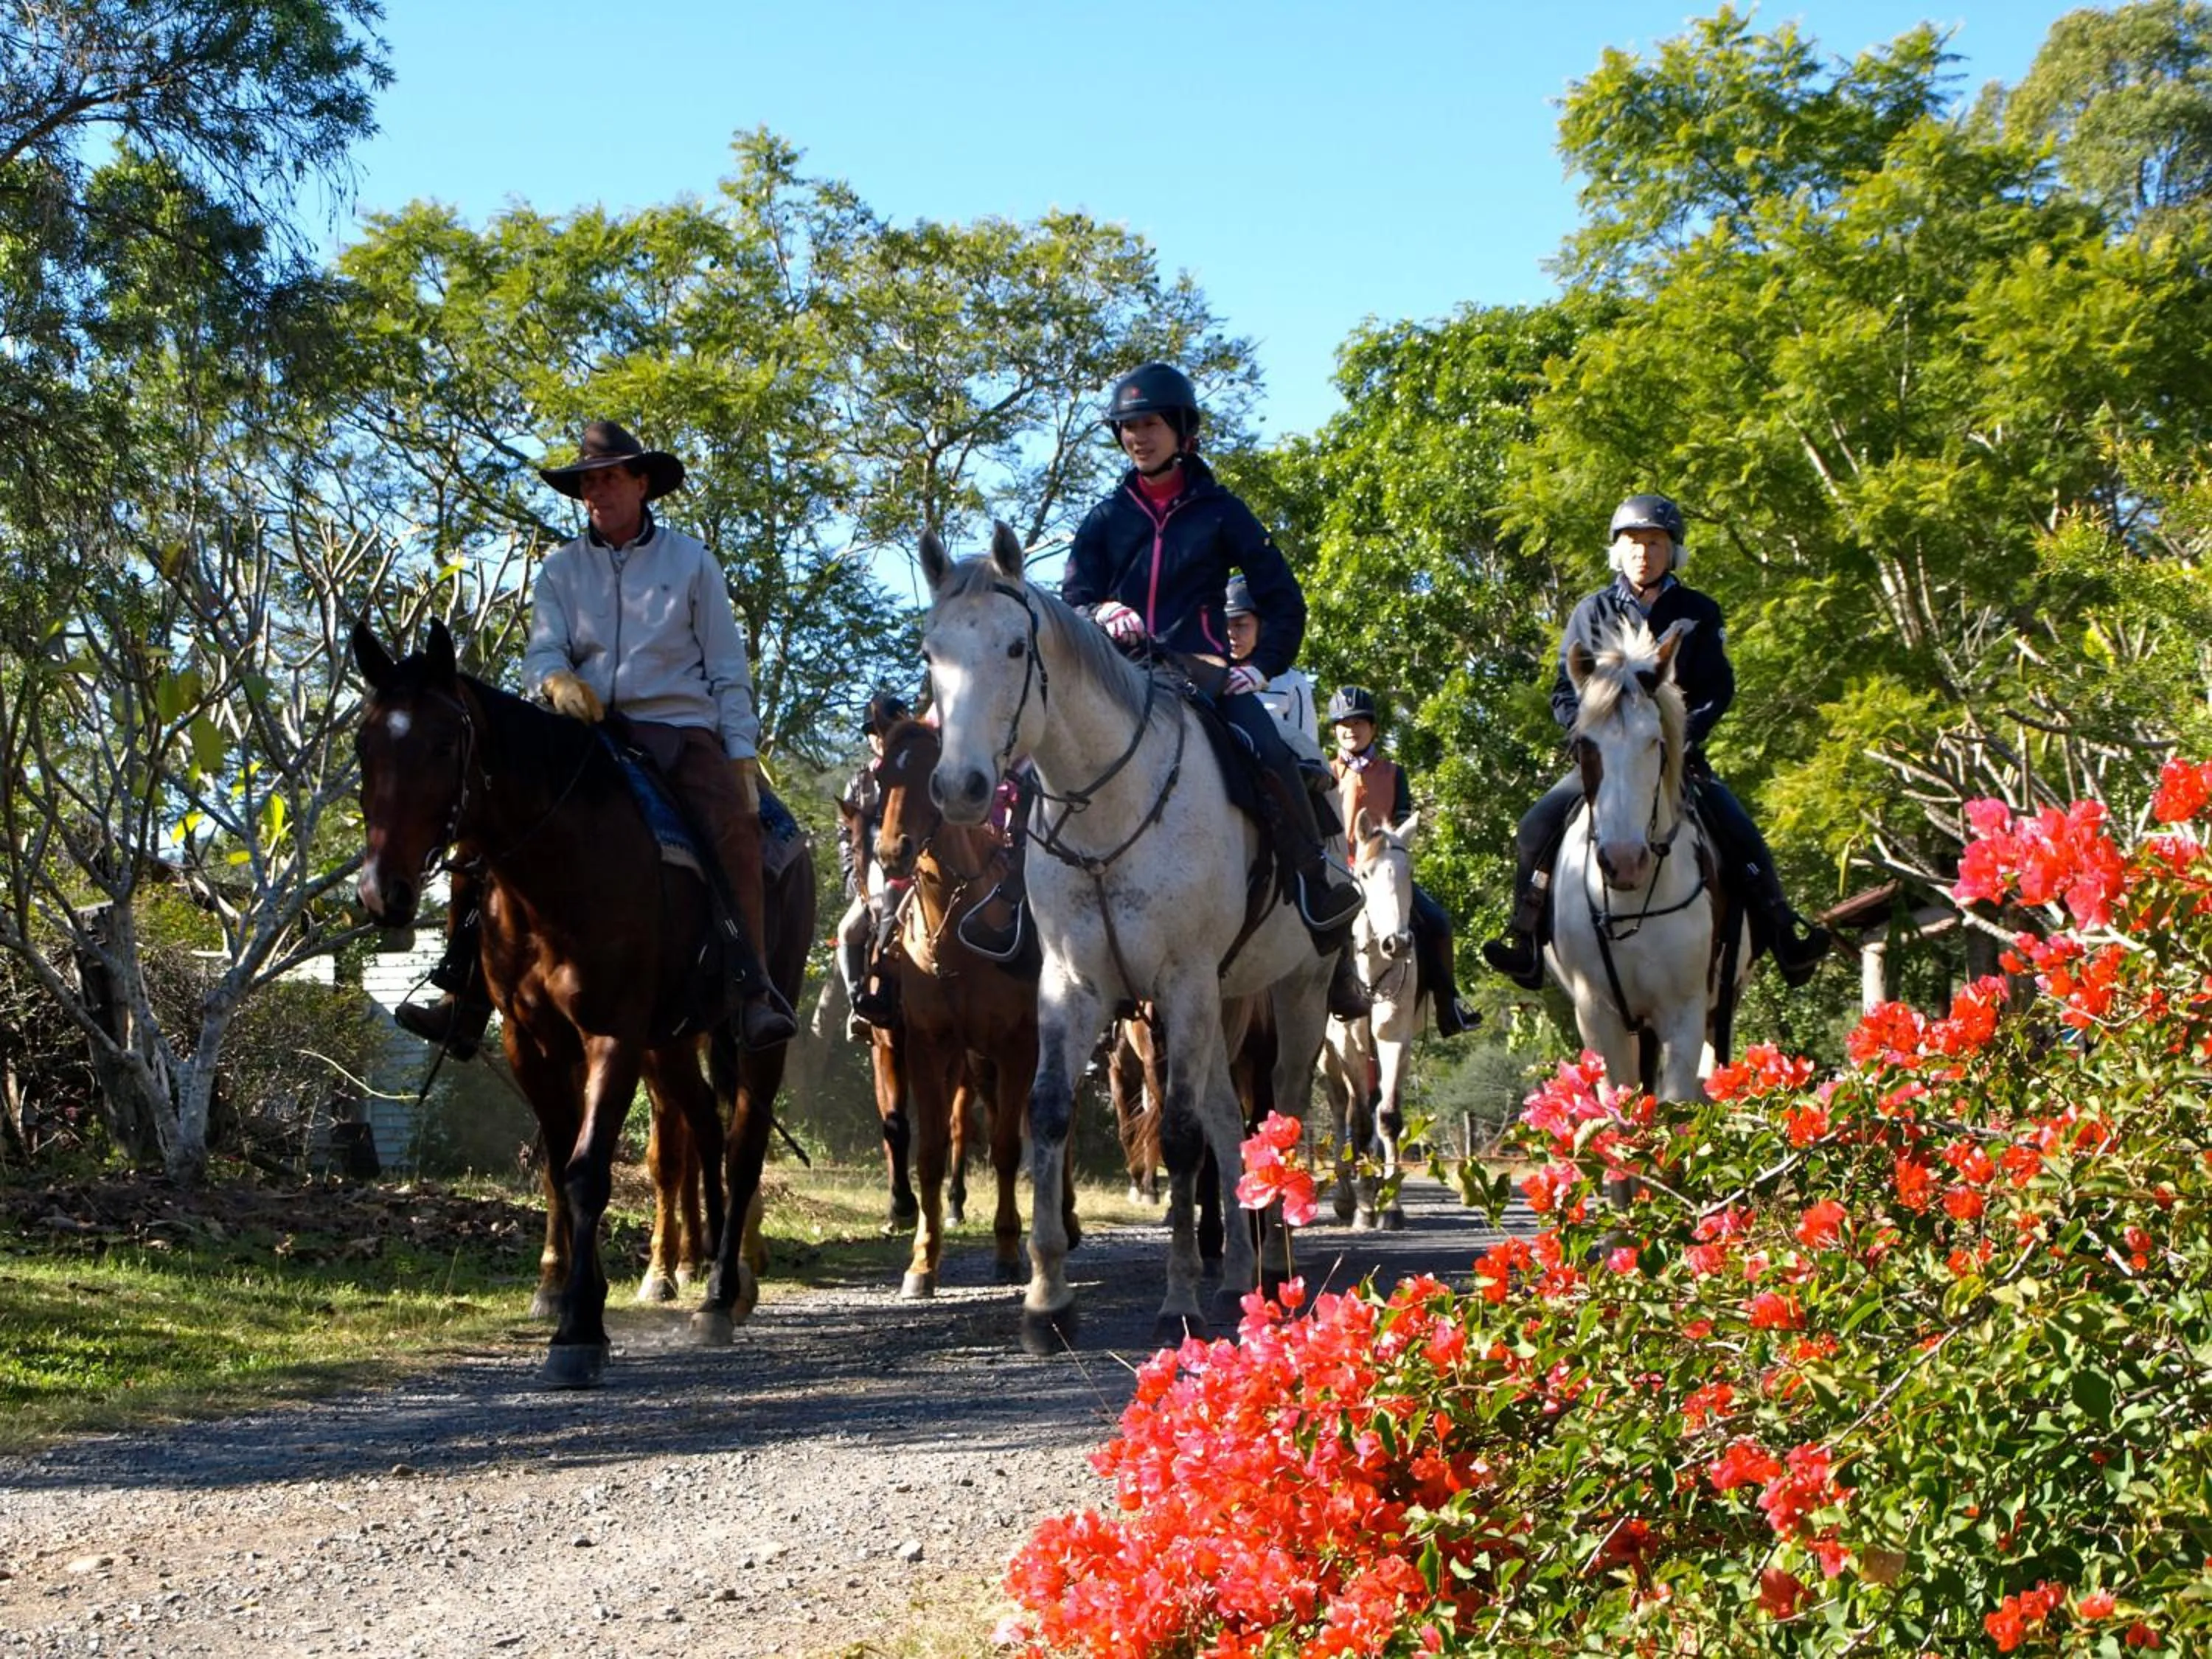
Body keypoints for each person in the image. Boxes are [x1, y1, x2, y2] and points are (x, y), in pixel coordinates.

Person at [394, 420, 799, 1056]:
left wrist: (740, 752)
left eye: (609, 478)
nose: (596, 492)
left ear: (642, 484)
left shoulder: (693, 562)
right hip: (584, 732)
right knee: (481, 822)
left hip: (678, 730)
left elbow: (727, 668)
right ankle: (464, 990)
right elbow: (542, 651)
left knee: (734, 827)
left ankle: (750, 989)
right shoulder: (559, 570)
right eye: (587, 482)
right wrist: (555, 680)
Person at [961, 361, 1363, 995]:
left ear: (1181, 430)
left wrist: (1257, 670)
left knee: (1269, 747)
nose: (1137, 437)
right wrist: (1099, 611)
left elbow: (1285, 602)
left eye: (1149, 424)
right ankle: (1015, 899)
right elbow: (1074, 597)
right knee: (1040, 764)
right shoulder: (1103, 517)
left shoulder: (1224, 513)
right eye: (1127, 427)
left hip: (1200, 674)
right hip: (1117, 676)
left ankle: (1317, 880)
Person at [1478, 492, 1831, 990]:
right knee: (1536, 826)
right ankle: (1525, 938)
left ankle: (1783, 933)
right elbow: (1564, 689)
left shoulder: (1699, 612)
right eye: (1633, 542)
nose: (1643, 552)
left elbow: (1718, 688)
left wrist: (1685, 737)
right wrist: (1588, 736)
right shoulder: (1590, 612)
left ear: (1673, 552)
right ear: (1617, 551)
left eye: (1655, 542)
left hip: (1676, 758)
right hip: (1604, 761)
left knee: (1740, 829)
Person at [1326, 685, 1480, 1037]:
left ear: (1373, 728)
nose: (1351, 729)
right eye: (1343, 723)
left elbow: (1401, 820)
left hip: (1383, 875)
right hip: (1336, 875)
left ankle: (1449, 1007)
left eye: (1359, 722)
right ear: (1334, 730)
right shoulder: (1325, 770)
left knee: (1438, 922)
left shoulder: (1394, 773)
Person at [834, 692, 911, 1034]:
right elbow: (845, 834)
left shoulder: (916, 770)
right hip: (872, 872)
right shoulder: (859, 782)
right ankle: (859, 1004)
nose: (879, 738)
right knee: (847, 930)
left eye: (885, 730)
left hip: (914, 863)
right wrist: (854, 877)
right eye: (874, 732)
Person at [1225, 574, 1317, 747]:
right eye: (1226, 625)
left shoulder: (1292, 683)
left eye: (1240, 625)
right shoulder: (1212, 677)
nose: (1231, 634)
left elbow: (1308, 754)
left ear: (1263, 627)